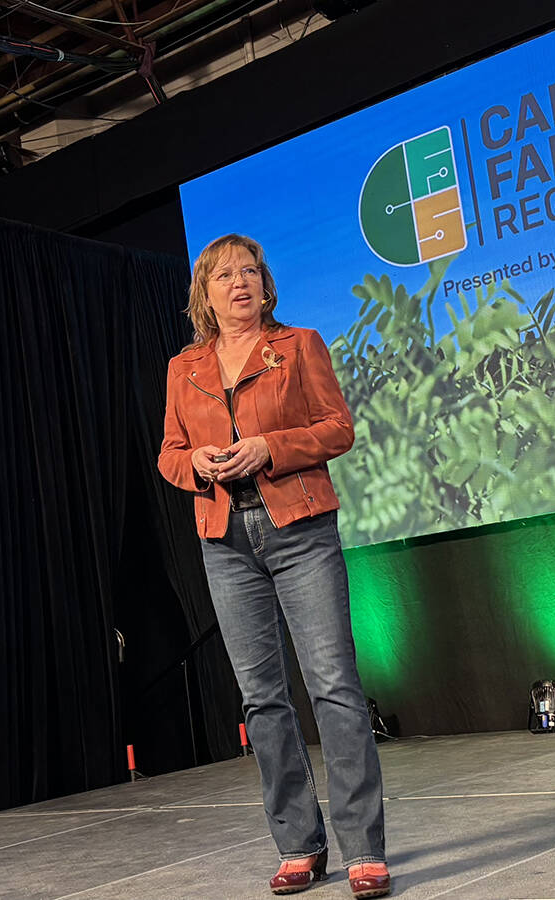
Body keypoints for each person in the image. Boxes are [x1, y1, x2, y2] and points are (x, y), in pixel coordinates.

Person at [157, 234, 390, 898]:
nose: (241, 282)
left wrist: (268, 447)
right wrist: (196, 465)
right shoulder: (185, 368)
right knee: (262, 699)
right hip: (224, 538)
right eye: (225, 275)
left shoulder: (299, 345)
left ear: (265, 284)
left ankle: (364, 849)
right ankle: (298, 843)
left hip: (301, 530)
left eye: (250, 271)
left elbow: (336, 428)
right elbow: (169, 453)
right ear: (204, 293)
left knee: (334, 687)